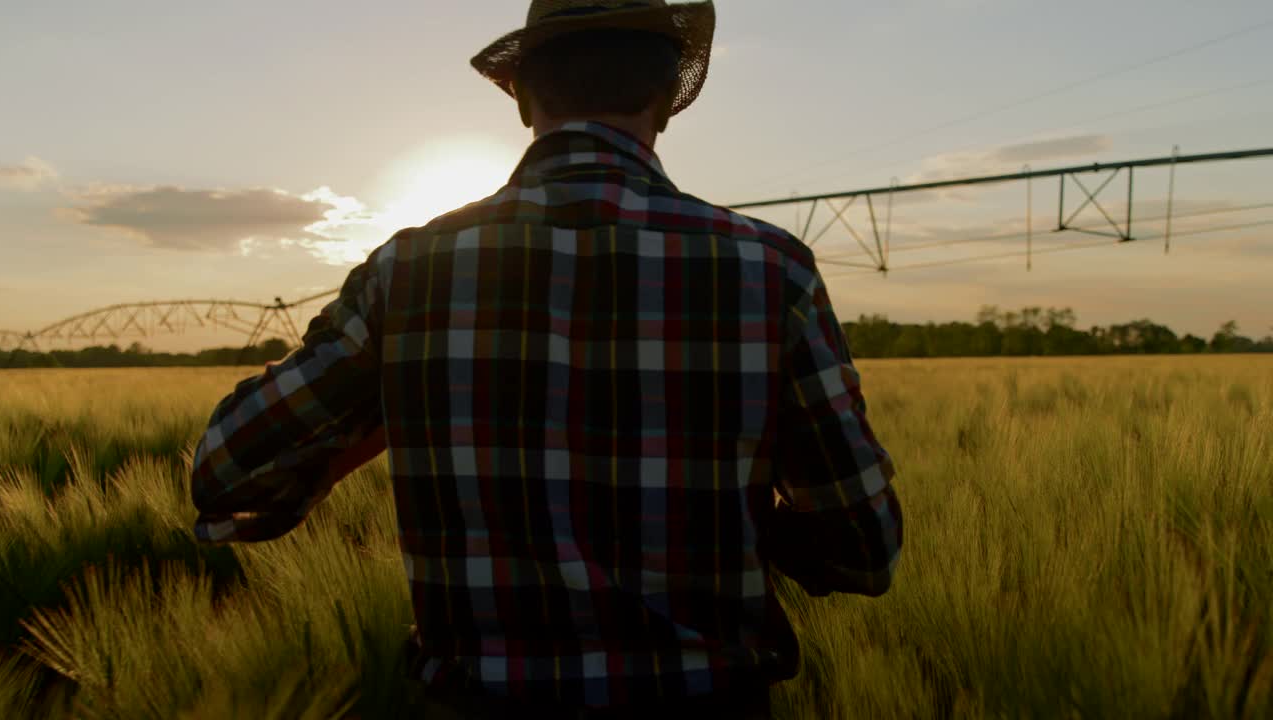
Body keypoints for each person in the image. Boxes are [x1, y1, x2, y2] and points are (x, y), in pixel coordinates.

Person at [190, 1, 902, 717]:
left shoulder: (407, 273)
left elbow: (228, 469)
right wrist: (740, 512)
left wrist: (386, 413)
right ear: (665, 99)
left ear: (523, 97)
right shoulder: (771, 269)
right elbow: (864, 545)